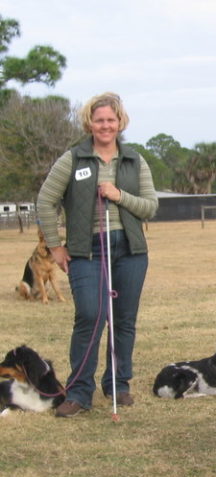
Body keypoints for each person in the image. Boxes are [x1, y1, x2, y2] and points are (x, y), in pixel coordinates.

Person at [36, 92, 159, 417]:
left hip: (130, 250)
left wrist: (119, 195)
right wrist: (55, 246)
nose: (105, 126)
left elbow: (150, 207)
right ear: (89, 123)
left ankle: (118, 384)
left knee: (124, 320)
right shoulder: (73, 159)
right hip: (87, 251)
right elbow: (45, 201)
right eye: (99, 120)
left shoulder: (134, 160)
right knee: (90, 316)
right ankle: (79, 392)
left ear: (120, 123)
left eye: (111, 120)